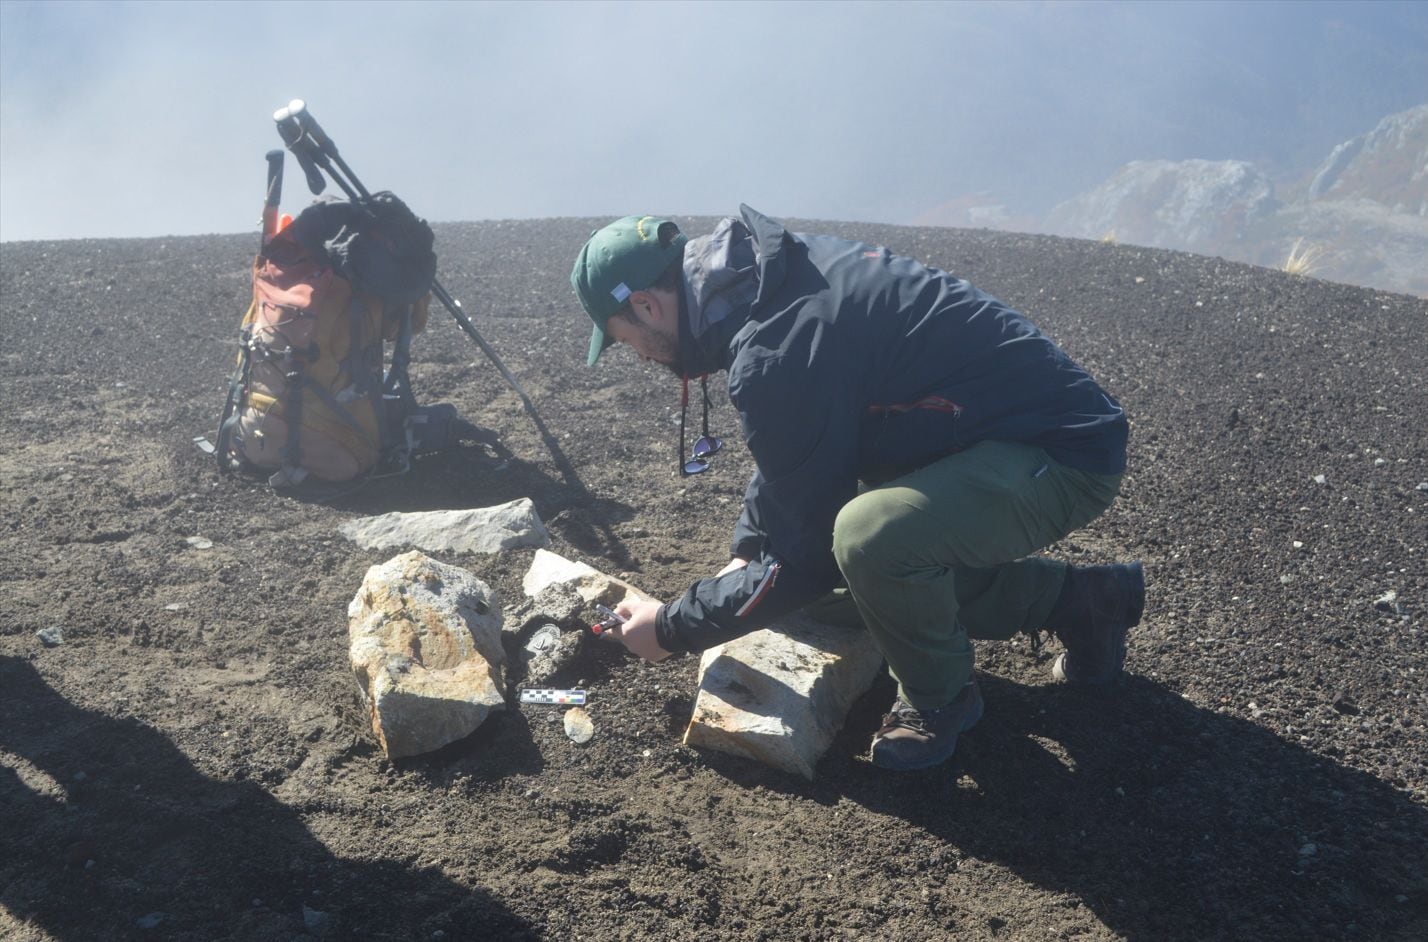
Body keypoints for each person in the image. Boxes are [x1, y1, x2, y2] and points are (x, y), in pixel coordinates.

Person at [569, 206, 1144, 771]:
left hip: (1061, 455)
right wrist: (749, 551)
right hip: (965, 435)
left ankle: (939, 699)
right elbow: (799, 451)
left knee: (867, 540)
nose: (640, 356)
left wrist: (671, 627)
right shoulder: (769, 283)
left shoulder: (776, 346)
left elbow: (803, 558)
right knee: (812, 568)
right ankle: (1079, 603)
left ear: (646, 305)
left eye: (625, 339)